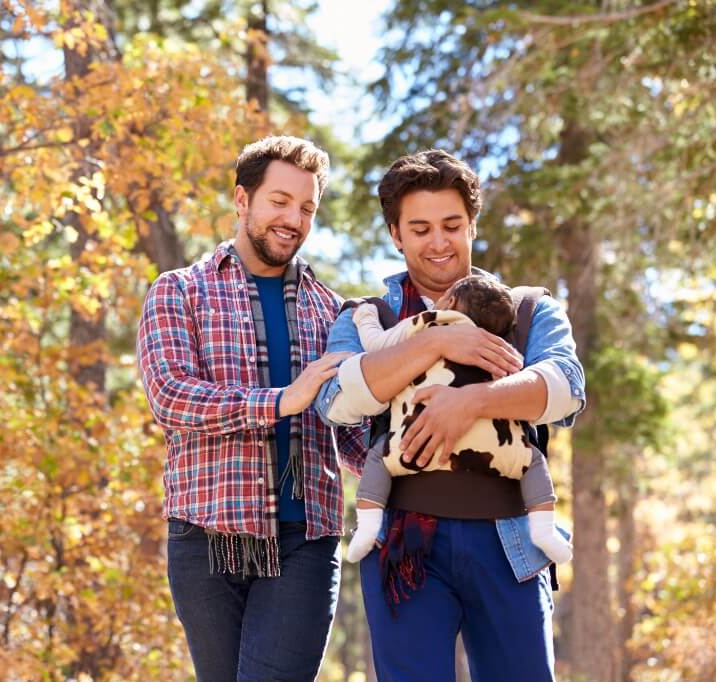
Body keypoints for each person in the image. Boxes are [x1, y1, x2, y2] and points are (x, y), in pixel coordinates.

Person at [315, 149, 585, 682]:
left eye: (451, 225)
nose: (438, 242)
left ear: (472, 225)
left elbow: (565, 389)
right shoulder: (369, 317)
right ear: (396, 234)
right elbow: (339, 401)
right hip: (404, 546)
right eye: (420, 229)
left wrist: (473, 402)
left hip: (511, 539)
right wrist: (437, 338)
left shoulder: (528, 309)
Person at [136, 135, 369, 682]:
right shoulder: (179, 292)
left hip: (304, 540)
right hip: (206, 537)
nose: (294, 218)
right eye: (280, 201)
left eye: (308, 207)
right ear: (242, 200)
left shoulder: (333, 311)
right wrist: (279, 402)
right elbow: (170, 396)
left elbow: (353, 432)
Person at [344, 274, 573, 565]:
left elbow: (376, 345)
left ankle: (367, 528)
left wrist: (365, 315)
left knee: (377, 459)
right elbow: (539, 380)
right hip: (497, 448)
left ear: (450, 301)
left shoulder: (424, 325)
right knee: (534, 463)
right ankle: (544, 532)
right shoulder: (500, 346)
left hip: (415, 441)